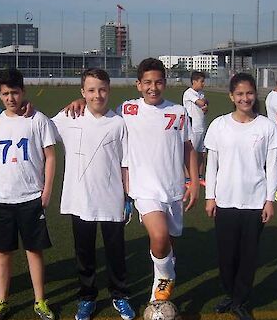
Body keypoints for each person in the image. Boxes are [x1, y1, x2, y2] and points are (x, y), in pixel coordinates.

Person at [64, 58, 199, 304]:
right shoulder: (128, 110)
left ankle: (164, 275)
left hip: (173, 188)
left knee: (168, 242)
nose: (153, 88)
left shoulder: (178, 112)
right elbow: (99, 108)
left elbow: (188, 147)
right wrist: (81, 101)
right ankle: (164, 279)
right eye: (147, 82)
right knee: (159, 237)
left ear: (165, 83)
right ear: (138, 85)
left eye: (158, 82)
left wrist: (194, 181)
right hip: (144, 190)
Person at [51, 69, 135, 320]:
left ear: (109, 90)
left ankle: (120, 294)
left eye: (102, 89)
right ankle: (87, 297)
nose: (97, 95)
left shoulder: (119, 123)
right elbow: (40, 129)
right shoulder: (68, 117)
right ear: (82, 92)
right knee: (84, 252)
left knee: (115, 252)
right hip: (80, 200)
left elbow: (125, 163)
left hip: (111, 199)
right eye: (90, 90)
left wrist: (128, 197)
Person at [205, 72, 277, 320]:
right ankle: (230, 294)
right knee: (226, 256)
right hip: (225, 201)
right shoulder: (219, 125)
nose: (245, 98)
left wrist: (269, 200)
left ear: (255, 94)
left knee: (248, 256)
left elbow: (272, 167)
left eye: (249, 93)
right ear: (231, 96)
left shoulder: (267, 127)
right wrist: (210, 197)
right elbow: (212, 164)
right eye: (239, 94)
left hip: (254, 202)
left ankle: (240, 301)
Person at [0, 69, 56, 320]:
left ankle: (40, 300)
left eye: (14, 92)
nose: (10, 98)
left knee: (34, 251)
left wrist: (46, 191)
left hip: (30, 198)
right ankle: (2, 300)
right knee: (2, 253)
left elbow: (50, 156)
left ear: (23, 92)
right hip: (1, 199)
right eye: (5, 94)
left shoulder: (38, 120)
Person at [182, 71, 208, 186]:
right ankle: (187, 178)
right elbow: (201, 103)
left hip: (202, 126)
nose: (203, 84)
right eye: (201, 81)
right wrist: (204, 103)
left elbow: (204, 107)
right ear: (194, 81)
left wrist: (205, 107)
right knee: (191, 152)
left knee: (202, 152)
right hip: (193, 127)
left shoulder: (201, 93)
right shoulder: (189, 93)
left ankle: (200, 177)